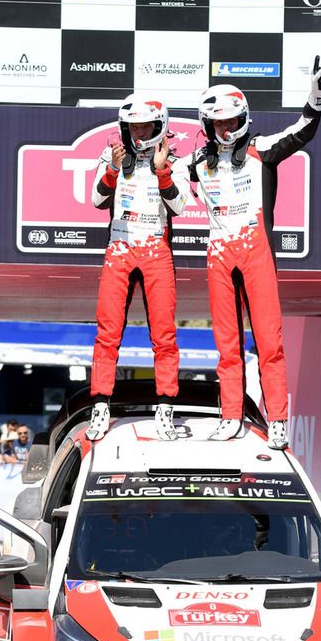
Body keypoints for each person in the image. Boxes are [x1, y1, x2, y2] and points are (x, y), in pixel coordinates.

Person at [184, 59, 321, 447]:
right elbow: (163, 179)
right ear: (206, 125)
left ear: (244, 118)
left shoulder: (261, 148)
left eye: (231, 121)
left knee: (269, 341)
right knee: (226, 345)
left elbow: (302, 130)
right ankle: (230, 416)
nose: (225, 129)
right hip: (219, 257)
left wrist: (317, 94)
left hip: (256, 253)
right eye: (217, 123)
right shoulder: (197, 162)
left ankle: (277, 419)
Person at [87, 94, 188, 442]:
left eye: (146, 127)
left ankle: (165, 407)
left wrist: (162, 171)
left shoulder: (173, 160)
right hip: (120, 247)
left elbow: (180, 206)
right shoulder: (112, 155)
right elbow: (97, 200)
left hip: (156, 250)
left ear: (159, 126)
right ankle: (101, 406)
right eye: (134, 127)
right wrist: (113, 170)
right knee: (107, 331)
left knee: (164, 334)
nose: (140, 133)